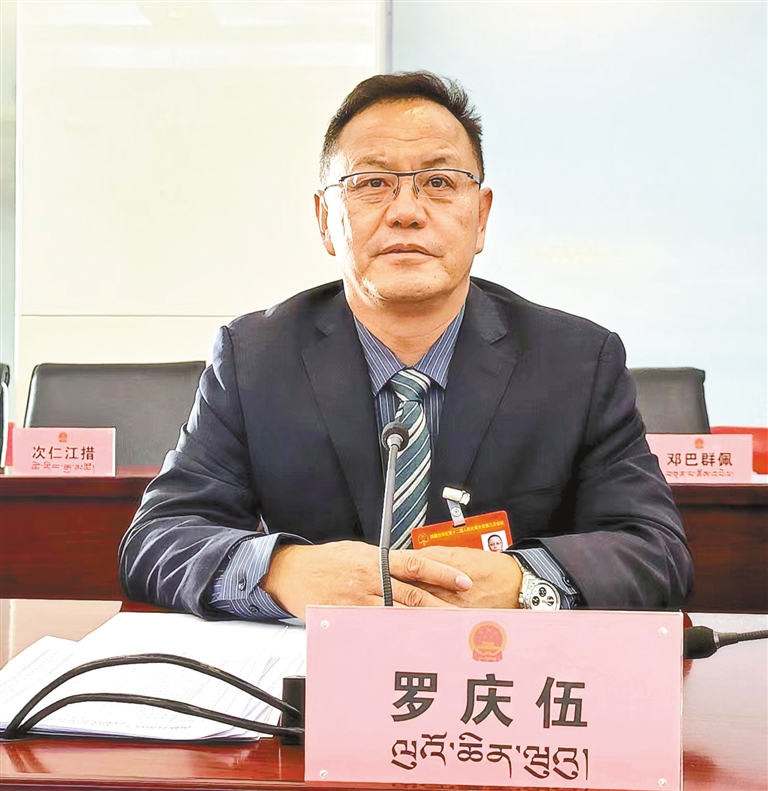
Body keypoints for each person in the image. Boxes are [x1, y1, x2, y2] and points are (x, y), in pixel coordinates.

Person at [119, 72, 693, 621]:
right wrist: (283, 571)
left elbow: (655, 551)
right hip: (313, 671)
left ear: (481, 217)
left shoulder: (576, 362)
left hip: (496, 673)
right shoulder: (255, 357)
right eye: (372, 184)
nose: (406, 212)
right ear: (325, 220)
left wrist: (524, 581)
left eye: (439, 183)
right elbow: (158, 538)